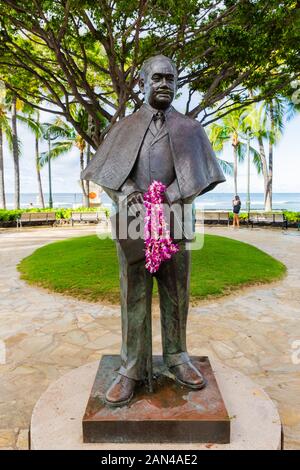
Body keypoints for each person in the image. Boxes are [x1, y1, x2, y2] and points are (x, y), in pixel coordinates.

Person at [82, 55, 226, 406]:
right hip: (134, 223)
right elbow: (108, 174)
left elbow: (202, 176)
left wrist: (172, 196)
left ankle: (177, 356)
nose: (164, 84)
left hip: (176, 219)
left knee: (177, 293)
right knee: (133, 293)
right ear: (143, 83)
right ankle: (131, 367)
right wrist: (127, 191)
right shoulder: (125, 127)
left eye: (171, 79)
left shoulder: (191, 129)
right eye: (157, 78)